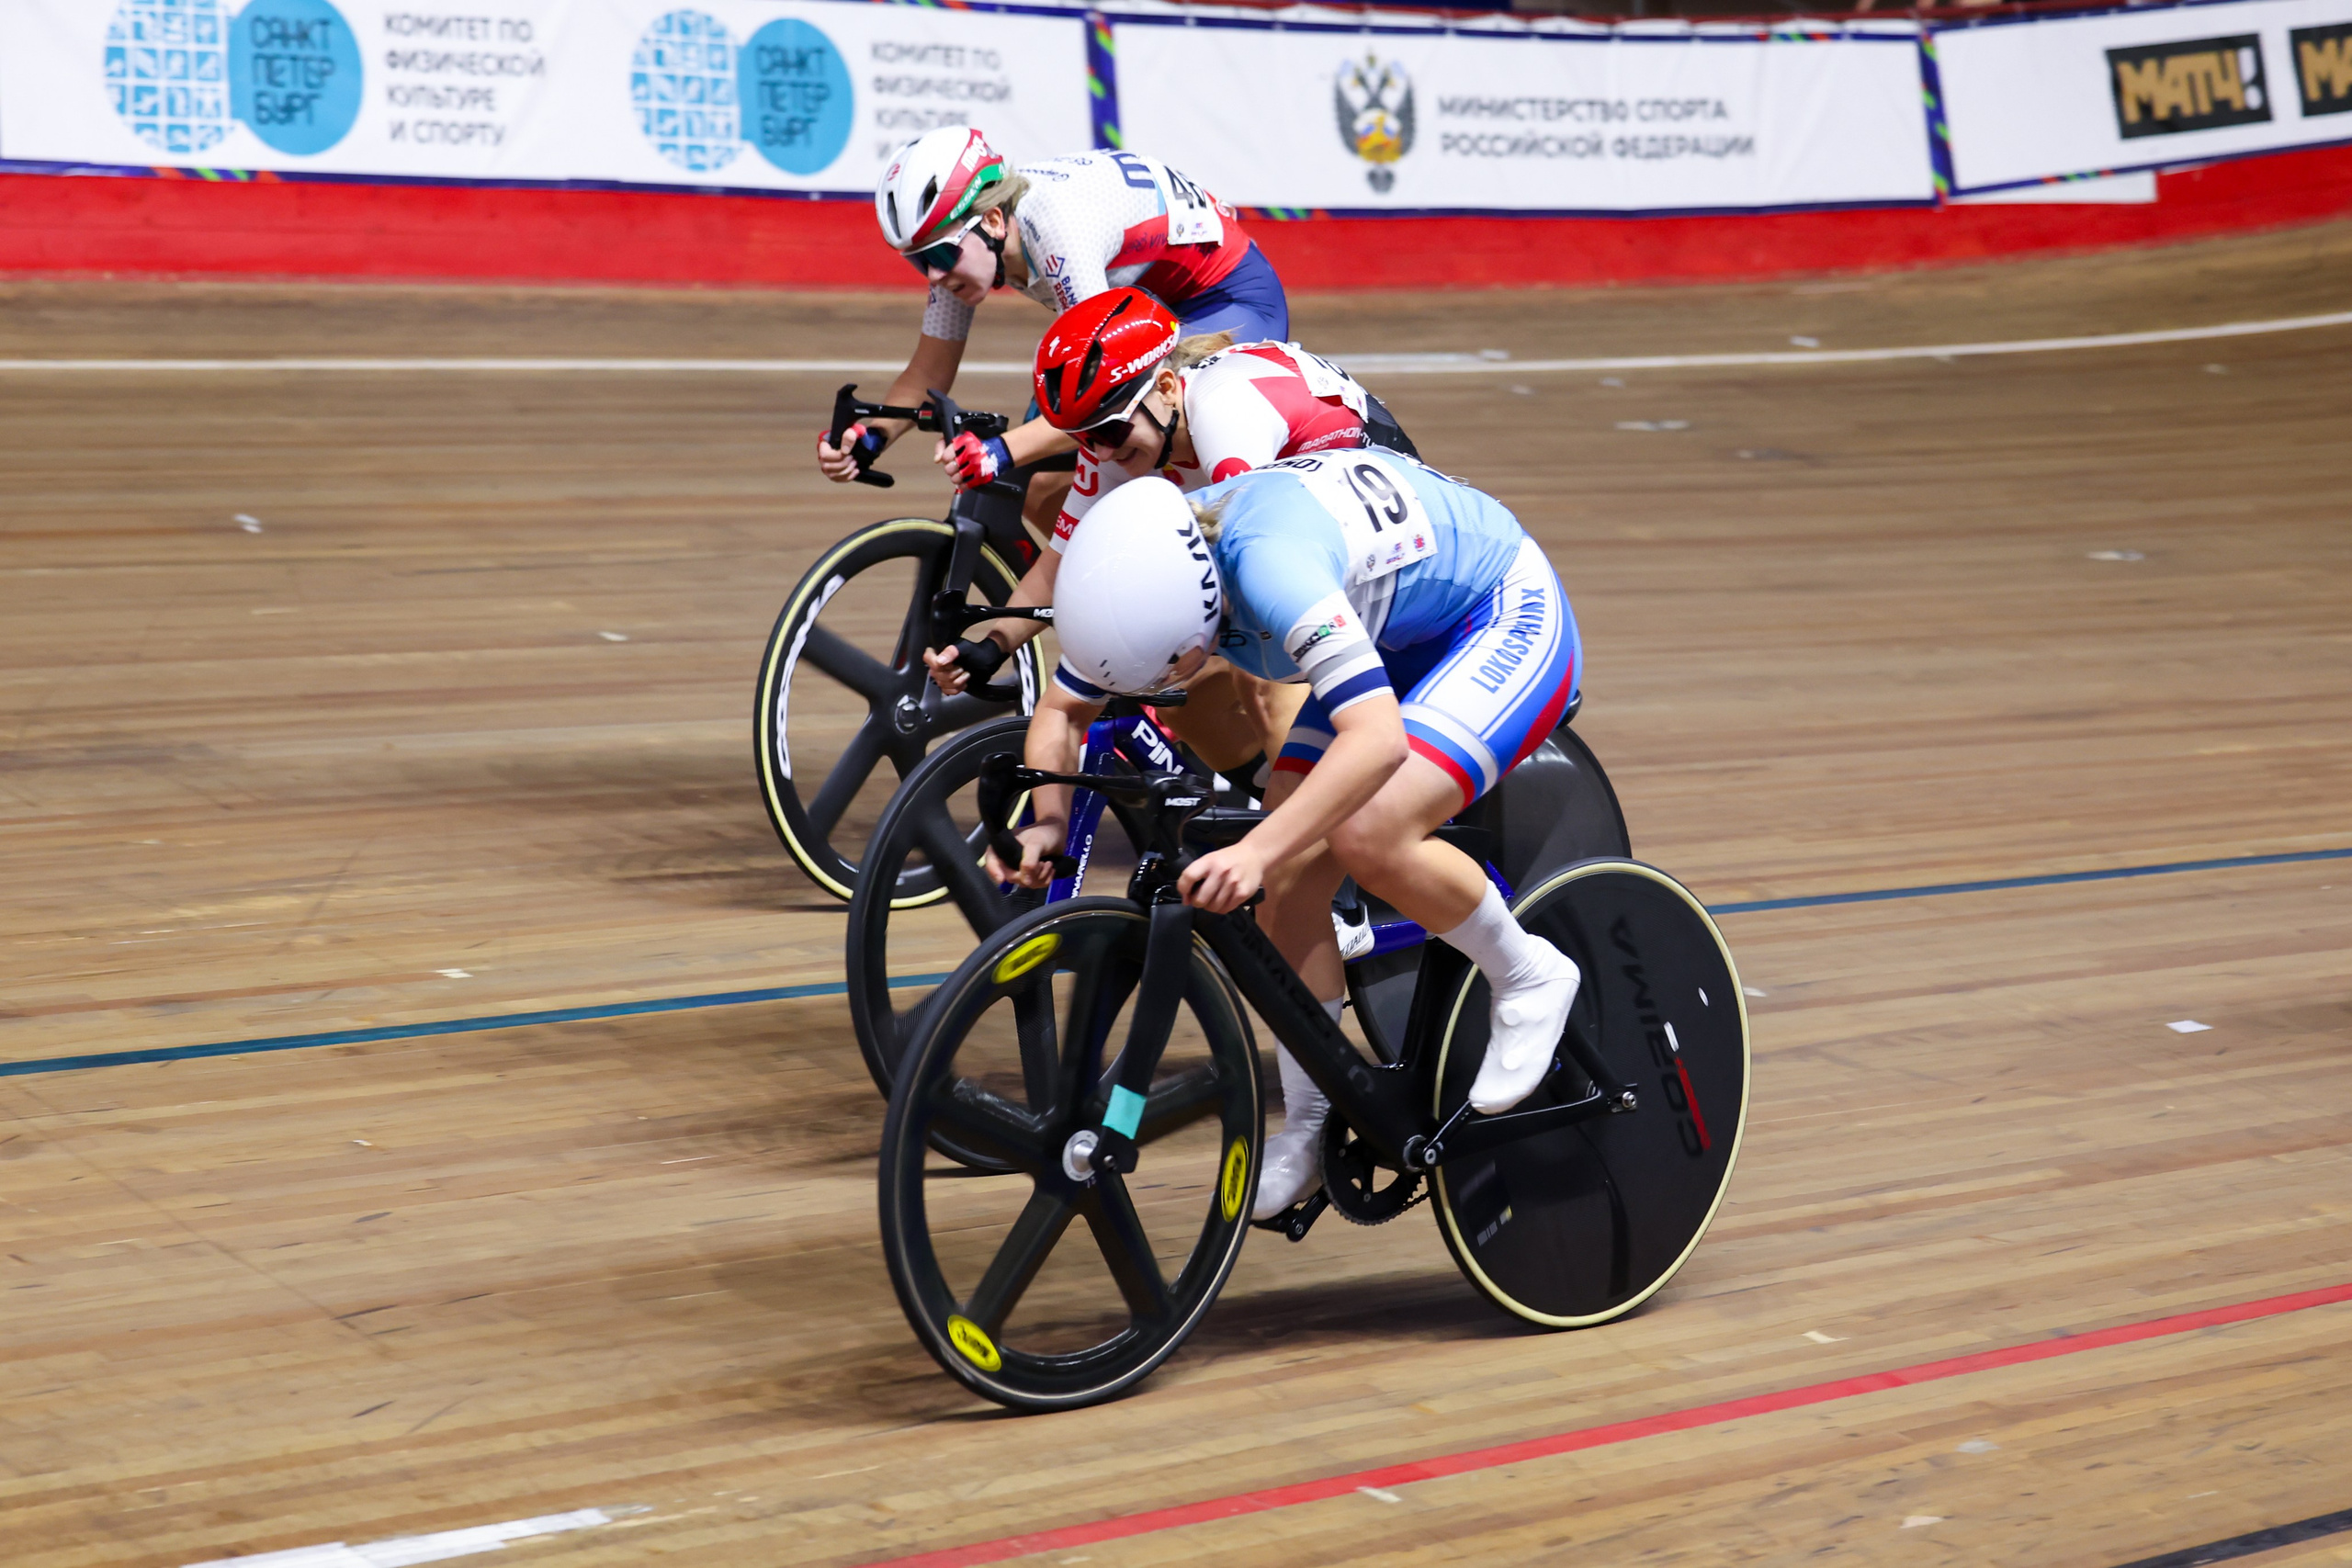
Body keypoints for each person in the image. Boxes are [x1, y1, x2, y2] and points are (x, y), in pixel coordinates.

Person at [992, 451, 1584, 1219]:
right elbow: (1061, 713)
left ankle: (1529, 972)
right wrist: (1047, 824)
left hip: (1501, 612)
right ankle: (1310, 1121)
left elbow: (1375, 742)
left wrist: (1258, 846)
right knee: (1284, 888)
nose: (1161, 697)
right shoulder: (1138, 576)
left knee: (1367, 832)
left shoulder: (1272, 568)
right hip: (1395, 631)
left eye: (1163, 681)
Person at [925, 286, 1416, 783]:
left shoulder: (1226, 416)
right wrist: (991, 646)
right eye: (1083, 438)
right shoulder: (1120, 442)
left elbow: (1254, 557)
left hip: (1372, 508)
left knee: (1265, 684)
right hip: (1303, 507)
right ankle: (1263, 806)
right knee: (1189, 704)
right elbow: (1058, 563)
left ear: (1164, 387)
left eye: (1111, 432)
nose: (1102, 451)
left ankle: (1315, 829)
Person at [814, 126, 1290, 537]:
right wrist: (871, 437)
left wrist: (1000, 451)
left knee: (1141, 437)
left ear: (994, 221)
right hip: (1146, 304)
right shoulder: (972, 248)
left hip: (1226, 300)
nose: (934, 277)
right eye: (920, 263)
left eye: (939, 257)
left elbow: (1107, 394)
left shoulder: (1060, 231)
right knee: (1035, 488)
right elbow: (929, 370)